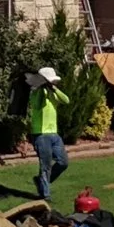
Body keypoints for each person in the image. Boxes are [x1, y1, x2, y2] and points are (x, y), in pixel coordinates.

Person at [25, 67, 69, 202]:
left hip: (54, 133)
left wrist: (53, 89)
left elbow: (66, 100)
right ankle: (45, 194)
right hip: (41, 134)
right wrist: (42, 90)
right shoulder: (36, 93)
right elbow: (38, 105)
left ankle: (42, 182)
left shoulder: (54, 92)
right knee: (46, 165)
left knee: (63, 162)